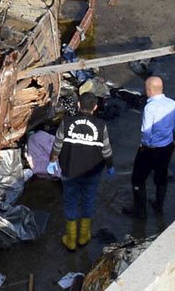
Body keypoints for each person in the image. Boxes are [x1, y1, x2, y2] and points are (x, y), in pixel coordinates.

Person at [57, 82, 112, 252]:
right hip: (92, 172)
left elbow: (57, 145)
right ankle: (83, 236)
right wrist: (110, 166)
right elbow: (106, 149)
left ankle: (71, 240)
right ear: (95, 107)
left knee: (70, 202)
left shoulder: (66, 123)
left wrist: (52, 161)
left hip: (69, 170)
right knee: (88, 200)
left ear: (79, 105)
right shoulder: (101, 126)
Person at [130, 76, 175, 216]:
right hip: (167, 147)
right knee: (161, 177)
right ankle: (159, 205)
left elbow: (146, 132)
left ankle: (140, 211)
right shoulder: (172, 104)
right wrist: (171, 139)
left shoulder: (150, 107)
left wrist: (144, 146)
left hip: (151, 149)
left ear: (150, 90)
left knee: (138, 179)